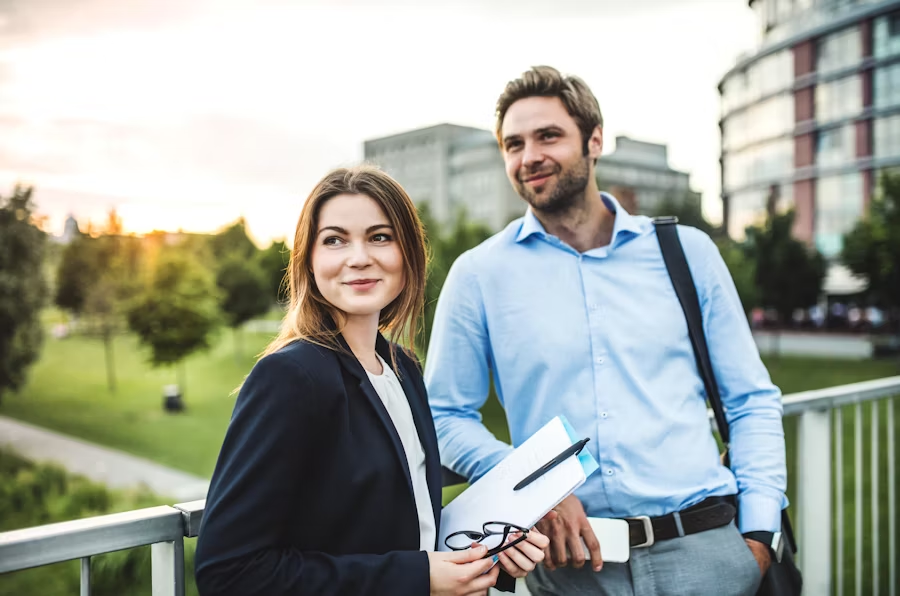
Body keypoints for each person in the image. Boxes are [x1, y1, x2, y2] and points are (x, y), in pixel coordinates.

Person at [425, 66, 787, 596]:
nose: (529, 157)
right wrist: (535, 485)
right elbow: (444, 414)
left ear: (594, 140)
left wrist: (758, 536)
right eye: (513, 143)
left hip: (706, 550)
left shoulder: (687, 253)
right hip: (572, 567)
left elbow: (751, 400)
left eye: (549, 136)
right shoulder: (479, 275)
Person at [194, 165, 548, 596]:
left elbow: (408, 525)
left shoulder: (402, 367)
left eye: (380, 237)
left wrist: (494, 547)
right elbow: (229, 571)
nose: (358, 257)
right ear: (309, 259)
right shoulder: (289, 377)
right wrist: (417, 578)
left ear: (408, 254)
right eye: (335, 240)